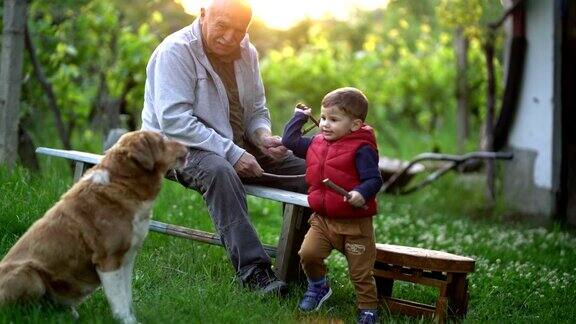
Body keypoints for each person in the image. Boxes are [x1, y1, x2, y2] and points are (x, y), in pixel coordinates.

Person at [141, 0, 307, 295]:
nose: (231, 37)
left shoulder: (247, 51)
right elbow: (174, 121)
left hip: (234, 141)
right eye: (222, 26)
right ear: (202, 15)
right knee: (220, 170)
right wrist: (232, 153)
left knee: (309, 171)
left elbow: (256, 109)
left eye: (239, 30)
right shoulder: (175, 51)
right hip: (176, 146)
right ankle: (255, 273)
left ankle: (301, 266)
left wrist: (261, 137)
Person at [282, 87, 383, 324]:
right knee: (307, 254)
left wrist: (361, 193)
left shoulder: (362, 148)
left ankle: (368, 308)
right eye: (324, 117)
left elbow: (374, 179)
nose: (325, 124)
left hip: (355, 225)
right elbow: (290, 141)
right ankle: (318, 287)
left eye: (334, 120)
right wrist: (299, 117)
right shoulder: (316, 143)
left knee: (360, 272)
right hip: (323, 220)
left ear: (355, 125)